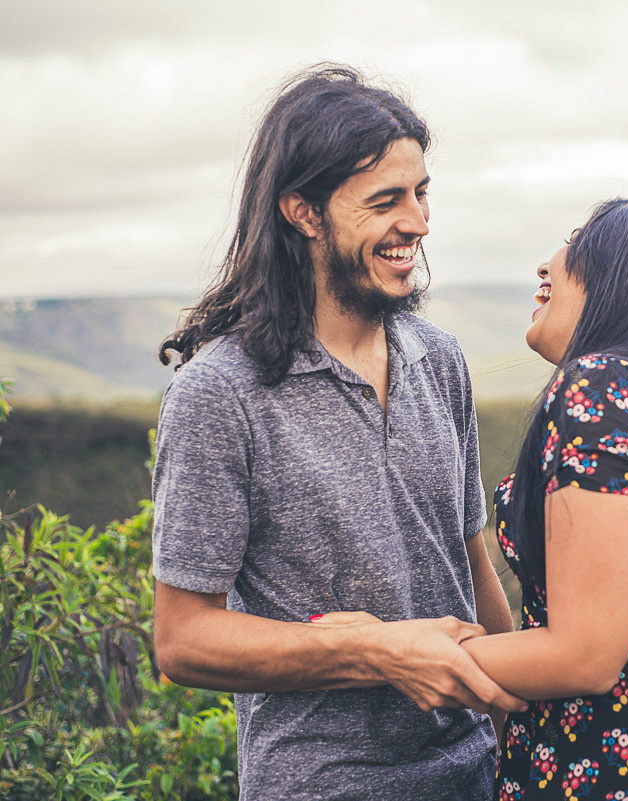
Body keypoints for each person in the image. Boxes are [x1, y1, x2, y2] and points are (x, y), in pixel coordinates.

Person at [319, 198, 628, 798]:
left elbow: (585, 655)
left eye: (578, 238)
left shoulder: (603, 384)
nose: (548, 264)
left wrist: (390, 652)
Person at [151, 65, 524, 801]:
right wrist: (373, 649)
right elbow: (183, 638)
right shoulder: (220, 394)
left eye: (421, 194)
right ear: (304, 212)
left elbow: (469, 559)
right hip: (323, 783)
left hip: (475, 773)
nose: (416, 223)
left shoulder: (439, 358)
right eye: (386, 200)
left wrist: (517, 724)